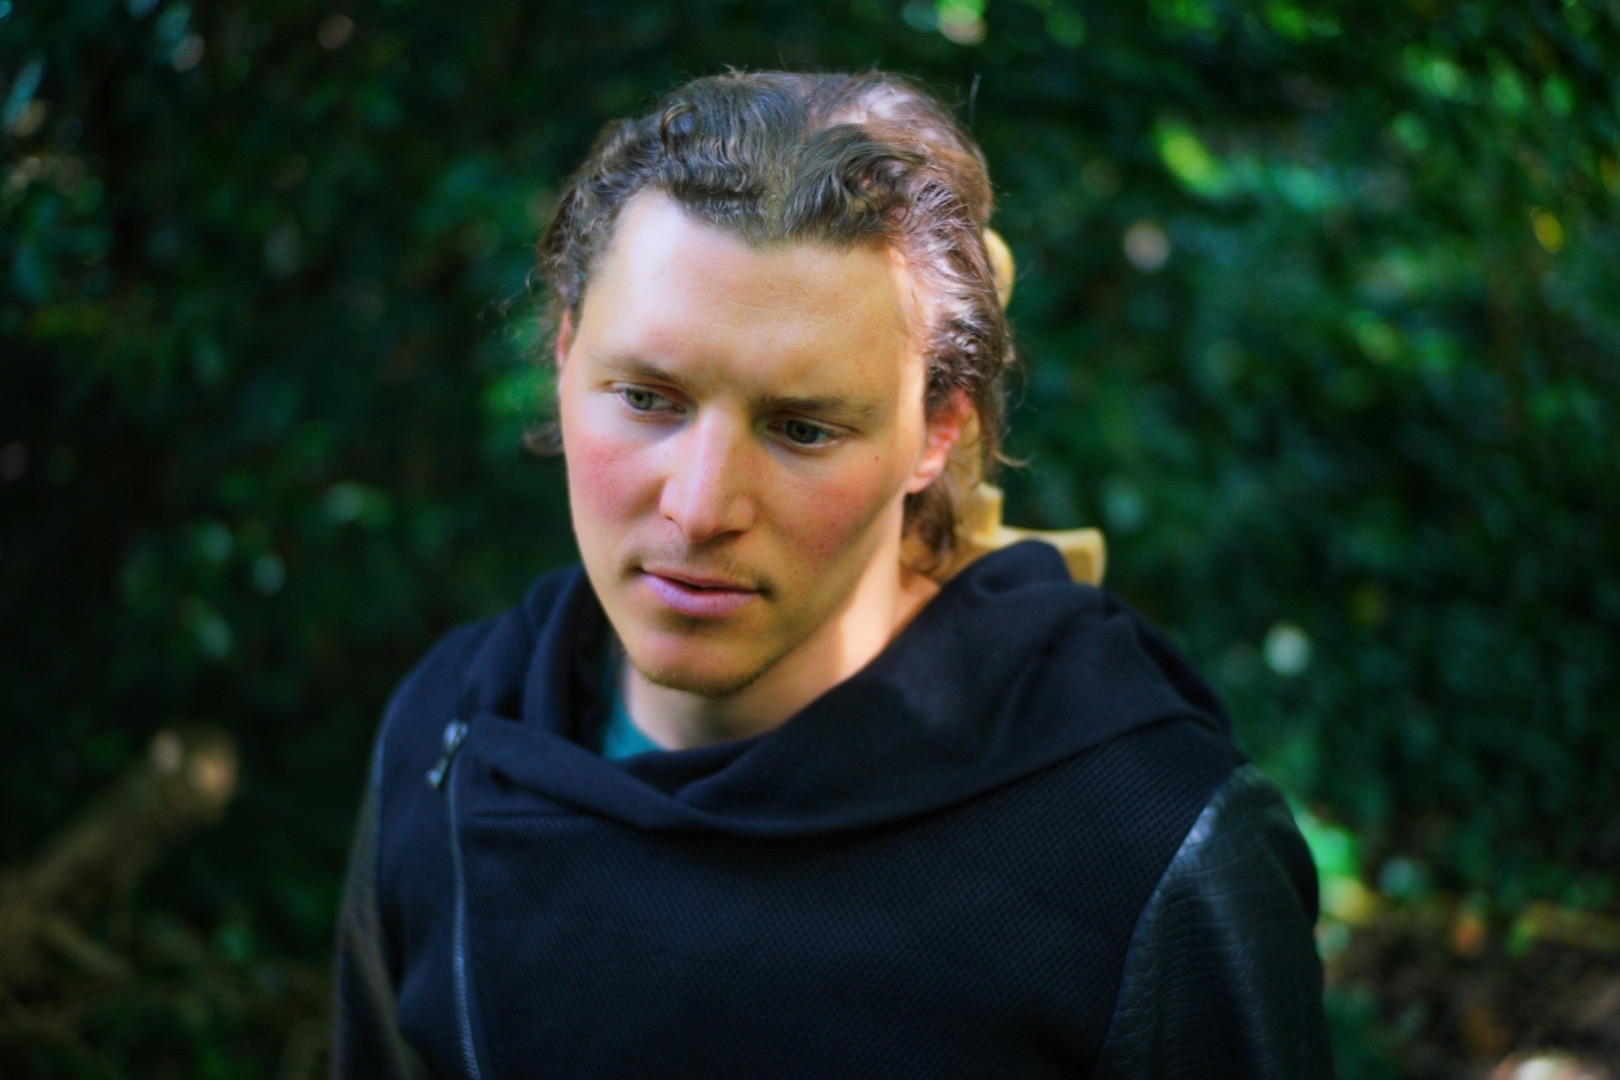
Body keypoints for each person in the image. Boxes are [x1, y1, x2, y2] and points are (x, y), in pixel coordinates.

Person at [332, 70, 1334, 1079]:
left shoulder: (1142, 837)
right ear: (562, 356)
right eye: (645, 397)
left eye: (802, 428)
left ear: (936, 431)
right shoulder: (449, 732)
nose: (700, 507)